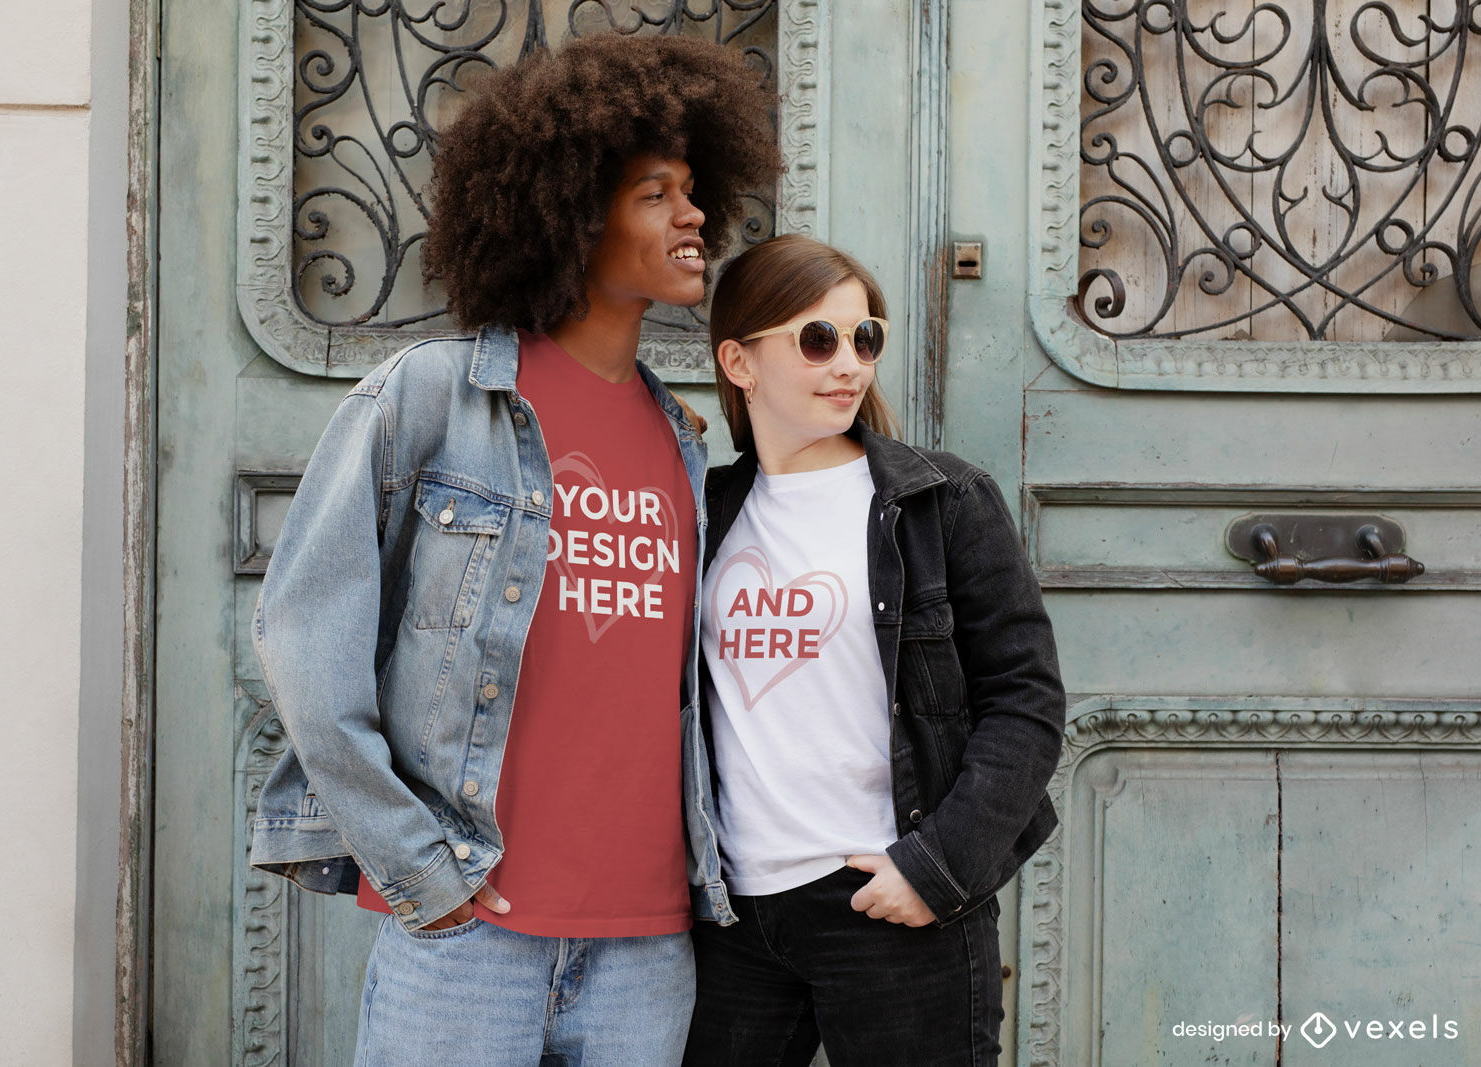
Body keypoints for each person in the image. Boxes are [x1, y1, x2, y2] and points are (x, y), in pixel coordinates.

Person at [247, 34, 776, 1066]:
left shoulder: (681, 435)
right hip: (468, 932)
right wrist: (415, 868)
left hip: (646, 942)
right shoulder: (433, 399)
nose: (693, 216)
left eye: (692, 189)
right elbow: (306, 639)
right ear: (572, 217)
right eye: (654, 194)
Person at [684, 234, 1068, 1066]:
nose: (849, 363)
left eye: (866, 338)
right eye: (817, 339)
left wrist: (936, 869)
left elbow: (1027, 703)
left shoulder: (943, 500)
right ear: (739, 362)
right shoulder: (703, 512)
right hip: (734, 917)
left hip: (889, 903)